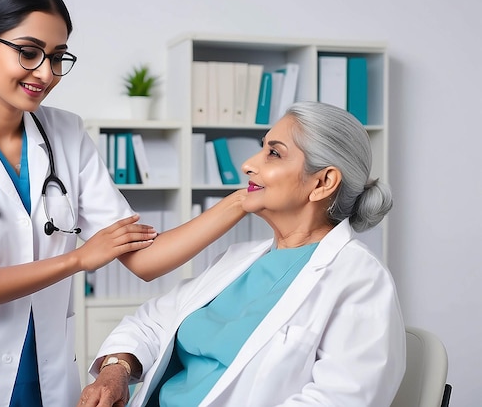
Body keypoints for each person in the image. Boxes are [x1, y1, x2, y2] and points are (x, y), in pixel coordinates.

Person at [0, 0, 247, 406]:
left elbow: (144, 259)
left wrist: (241, 201)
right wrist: (79, 259)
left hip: (39, 371)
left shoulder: (66, 134)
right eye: (29, 52)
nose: (46, 74)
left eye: (57, 57)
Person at [79, 101, 406, 407]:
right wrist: (116, 369)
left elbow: (340, 399)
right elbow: (149, 324)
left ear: (323, 182)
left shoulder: (360, 279)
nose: (248, 164)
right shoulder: (239, 259)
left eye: (274, 154)